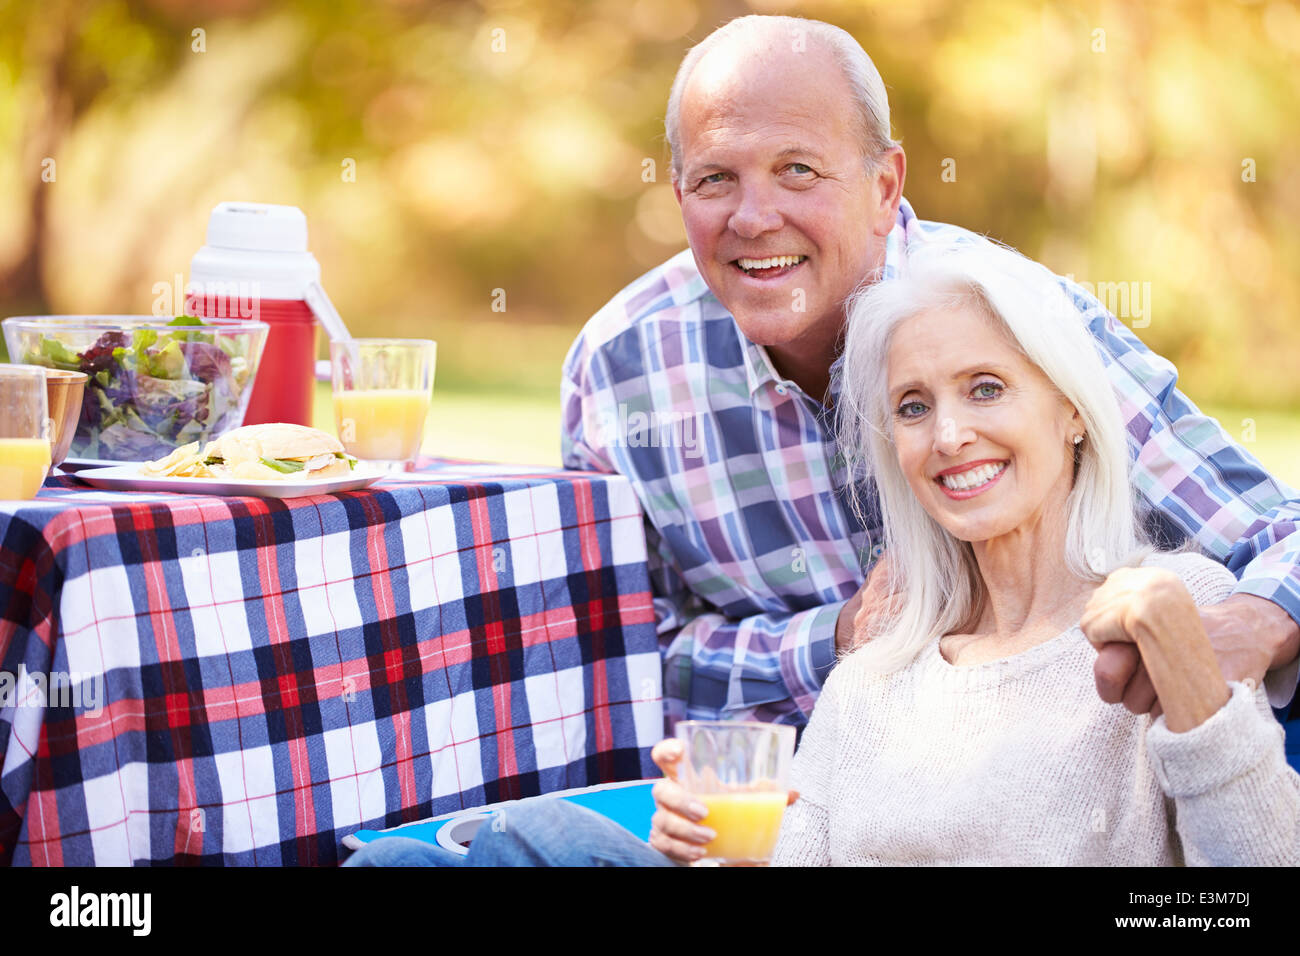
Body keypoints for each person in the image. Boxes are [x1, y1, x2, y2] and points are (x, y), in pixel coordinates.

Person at [344, 14, 1300, 867]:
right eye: (715, 179)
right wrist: (831, 645)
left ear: (886, 184)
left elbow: (1273, 537)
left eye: (799, 169)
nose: (755, 217)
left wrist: (1228, 650)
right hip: (811, 792)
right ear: (677, 193)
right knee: (444, 851)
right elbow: (628, 660)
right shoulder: (625, 370)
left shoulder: (1015, 319)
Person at [769, 239, 1300, 864]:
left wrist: (1196, 687)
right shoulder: (867, 681)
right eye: (913, 407)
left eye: (986, 389)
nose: (948, 435)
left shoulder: (1175, 608)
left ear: (1070, 408)